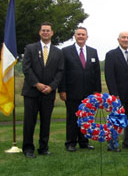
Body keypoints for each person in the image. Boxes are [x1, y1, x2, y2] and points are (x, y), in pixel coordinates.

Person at [21, 22, 64, 158]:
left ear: (52, 33)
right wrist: (37, 84)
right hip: (32, 92)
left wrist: (51, 87)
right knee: (29, 122)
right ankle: (28, 148)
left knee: (46, 122)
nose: (45, 32)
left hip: (48, 93)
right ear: (39, 33)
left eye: (48, 31)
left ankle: (43, 147)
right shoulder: (30, 48)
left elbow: (60, 71)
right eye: (43, 30)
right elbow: (26, 68)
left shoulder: (58, 52)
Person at [59, 27, 101, 152]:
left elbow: (96, 73)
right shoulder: (66, 51)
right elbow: (62, 72)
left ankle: (84, 142)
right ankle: (71, 143)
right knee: (72, 118)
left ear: (87, 37)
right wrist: (62, 90)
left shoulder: (93, 52)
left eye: (83, 34)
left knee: (87, 118)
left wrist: (96, 92)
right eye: (79, 34)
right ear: (75, 36)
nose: (81, 36)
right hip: (72, 92)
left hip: (88, 93)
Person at [104, 31, 128, 152]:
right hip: (117, 94)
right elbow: (109, 76)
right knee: (115, 119)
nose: (126, 39)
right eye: (123, 37)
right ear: (118, 39)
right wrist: (114, 94)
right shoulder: (111, 55)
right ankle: (112, 143)